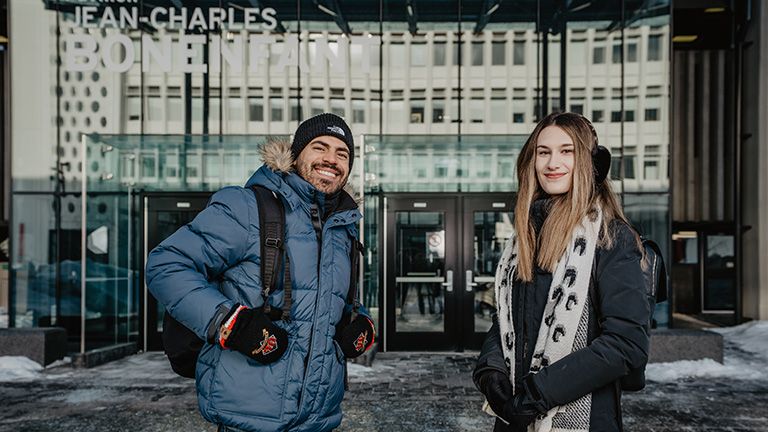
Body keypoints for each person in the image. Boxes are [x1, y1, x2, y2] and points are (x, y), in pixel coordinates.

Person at [146, 113, 375, 432]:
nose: (331, 159)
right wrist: (230, 323)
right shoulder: (246, 207)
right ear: (295, 156)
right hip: (248, 415)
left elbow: (334, 300)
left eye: (342, 153)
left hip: (319, 418)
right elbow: (166, 264)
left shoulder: (344, 229)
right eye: (319, 147)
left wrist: (359, 320)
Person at [473, 112, 649, 432]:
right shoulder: (524, 240)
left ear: (587, 162)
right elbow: (507, 321)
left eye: (567, 151)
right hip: (515, 417)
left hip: (581, 419)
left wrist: (538, 394)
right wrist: (490, 372)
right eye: (544, 152)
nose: (553, 162)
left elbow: (626, 344)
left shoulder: (612, 238)